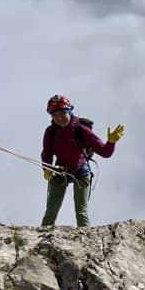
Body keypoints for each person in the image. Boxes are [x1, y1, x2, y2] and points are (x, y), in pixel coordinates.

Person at [41, 94, 124, 227]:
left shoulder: (81, 130)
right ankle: (42, 240)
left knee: (81, 212)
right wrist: (47, 170)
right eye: (55, 115)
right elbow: (47, 154)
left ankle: (86, 241)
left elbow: (105, 152)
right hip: (60, 171)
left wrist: (111, 142)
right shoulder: (51, 132)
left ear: (69, 112)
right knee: (51, 211)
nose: (59, 118)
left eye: (62, 113)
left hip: (81, 171)